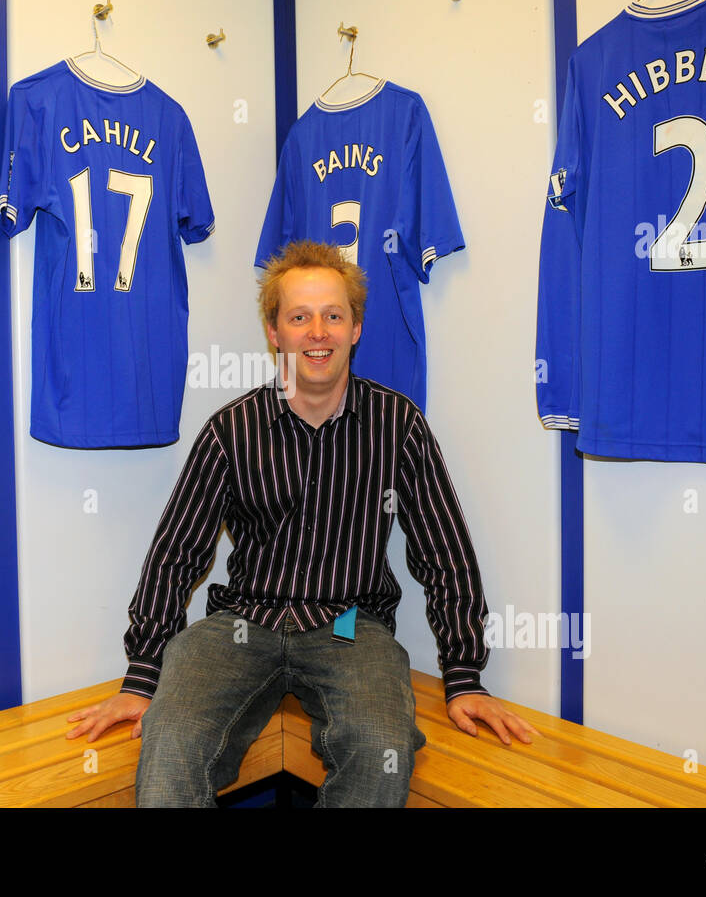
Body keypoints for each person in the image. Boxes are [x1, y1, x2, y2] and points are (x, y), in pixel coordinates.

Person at [66, 240, 536, 806]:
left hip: (349, 628)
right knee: (170, 747)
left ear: (356, 328)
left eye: (333, 315)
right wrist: (142, 676)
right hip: (242, 624)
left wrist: (463, 675)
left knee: (380, 747)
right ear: (274, 332)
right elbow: (175, 554)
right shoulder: (230, 432)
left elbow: (446, 554)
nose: (318, 331)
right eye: (300, 316)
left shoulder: (398, 426)